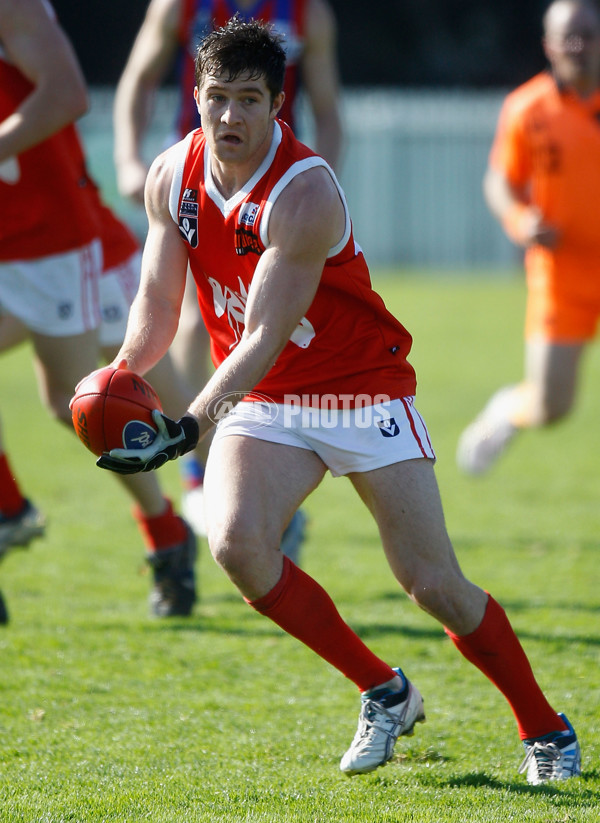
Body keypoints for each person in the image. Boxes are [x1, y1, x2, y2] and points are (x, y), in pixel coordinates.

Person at [92, 17, 581, 784]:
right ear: (195, 95)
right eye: (215, 97)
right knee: (237, 543)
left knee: (432, 584)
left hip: (356, 388)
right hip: (265, 397)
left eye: (248, 100)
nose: (228, 117)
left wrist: (188, 425)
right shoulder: (170, 176)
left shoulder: (305, 191)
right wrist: (123, 371)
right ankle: (384, 690)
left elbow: (260, 334)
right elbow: (158, 300)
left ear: (277, 105)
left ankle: (547, 728)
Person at [113, 0, 343, 550]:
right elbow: (138, 78)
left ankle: (239, 481)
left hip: (271, 185)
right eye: (215, 94)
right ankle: (202, 471)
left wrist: (323, 184)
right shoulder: (180, 6)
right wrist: (128, 158)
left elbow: (329, 110)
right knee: (193, 324)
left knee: (264, 336)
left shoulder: (309, 14)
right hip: (199, 179)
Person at [0, 0, 199, 618]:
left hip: (47, 239)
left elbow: (65, 93)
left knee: (91, 400)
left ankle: (195, 517)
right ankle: (8, 511)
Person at [457, 0, 600, 475]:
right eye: (567, 36)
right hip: (561, 273)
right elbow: (500, 181)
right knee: (551, 406)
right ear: (549, 45)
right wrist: (521, 220)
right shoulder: (527, 107)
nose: (577, 45)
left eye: (587, 34)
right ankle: (506, 411)